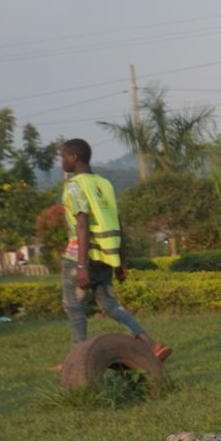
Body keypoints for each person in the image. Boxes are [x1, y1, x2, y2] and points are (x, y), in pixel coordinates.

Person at [58, 139, 170, 361]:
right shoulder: (104, 183)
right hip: (106, 256)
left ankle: (78, 360)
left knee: (74, 306)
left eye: (63, 157)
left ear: (74, 158)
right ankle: (151, 344)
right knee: (110, 305)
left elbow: (82, 223)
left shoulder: (74, 185)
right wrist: (121, 262)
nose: (62, 161)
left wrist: (81, 266)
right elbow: (117, 222)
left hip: (82, 257)